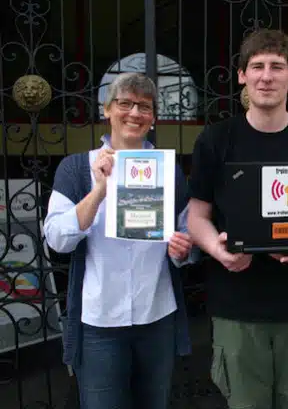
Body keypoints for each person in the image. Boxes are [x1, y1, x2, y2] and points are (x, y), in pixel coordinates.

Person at [187, 29, 288, 409]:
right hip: (238, 309)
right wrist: (217, 250)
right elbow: (196, 216)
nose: (266, 76)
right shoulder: (216, 140)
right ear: (242, 75)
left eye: (277, 67)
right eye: (256, 66)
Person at [44, 72, 193, 409]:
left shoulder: (168, 171)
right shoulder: (76, 168)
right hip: (100, 321)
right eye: (125, 104)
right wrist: (98, 190)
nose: (134, 113)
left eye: (144, 106)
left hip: (157, 316)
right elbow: (57, 239)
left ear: (153, 117)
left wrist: (183, 250)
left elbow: (188, 236)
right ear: (107, 110)